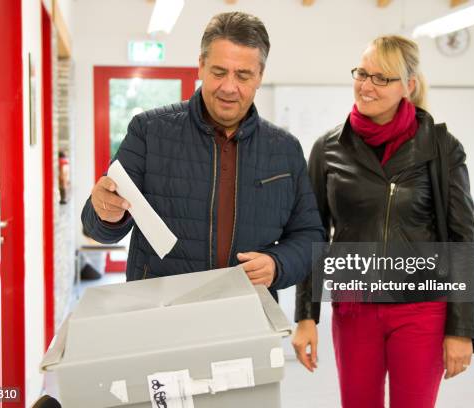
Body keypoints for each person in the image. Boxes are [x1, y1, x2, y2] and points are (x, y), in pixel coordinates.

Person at [293, 35, 474, 408]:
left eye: (382, 78)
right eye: (362, 73)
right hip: (353, 310)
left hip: (421, 310)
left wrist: (461, 329)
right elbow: (312, 234)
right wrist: (305, 316)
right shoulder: (328, 149)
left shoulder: (441, 149)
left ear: (408, 86)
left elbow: (464, 240)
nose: (366, 86)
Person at [81, 12, 325, 295]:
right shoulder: (149, 132)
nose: (229, 87)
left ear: (260, 76)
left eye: (243, 75)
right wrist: (105, 213)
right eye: (219, 72)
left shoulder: (285, 149)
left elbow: (310, 237)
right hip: (161, 314)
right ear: (201, 65)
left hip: (246, 315)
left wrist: (278, 264)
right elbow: (98, 227)